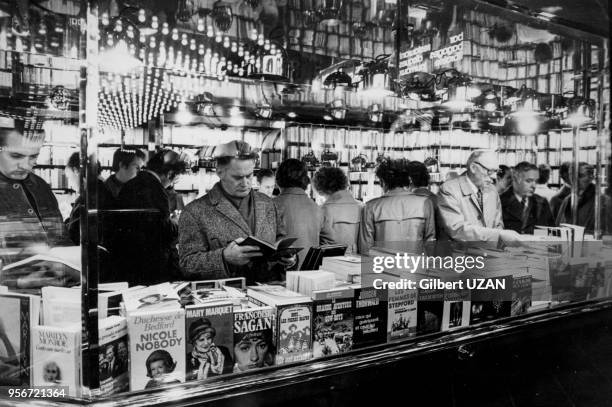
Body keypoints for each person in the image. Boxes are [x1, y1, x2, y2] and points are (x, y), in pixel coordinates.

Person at [179, 140, 296, 284]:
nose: (246, 183)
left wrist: (288, 257)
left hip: (270, 293)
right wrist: (224, 257)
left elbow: (280, 240)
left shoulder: (268, 203)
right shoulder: (194, 212)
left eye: (249, 175)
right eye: (238, 177)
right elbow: (187, 265)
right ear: (219, 172)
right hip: (226, 298)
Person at [116, 149, 187, 280]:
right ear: (170, 173)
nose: (171, 185)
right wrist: (178, 223)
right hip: (152, 266)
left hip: (128, 262)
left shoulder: (130, 184)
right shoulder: (157, 191)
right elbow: (163, 231)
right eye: (174, 180)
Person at [0, 121, 67, 248]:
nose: (25, 165)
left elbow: (61, 238)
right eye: (16, 156)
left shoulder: (41, 186)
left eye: (33, 156)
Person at [437, 150, 521, 243]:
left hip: (490, 254)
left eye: (496, 171)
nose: (494, 177)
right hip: (460, 255)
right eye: (489, 171)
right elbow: (457, 230)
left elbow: (498, 225)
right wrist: (498, 235)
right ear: (473, 168)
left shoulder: (492, 190)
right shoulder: (449, 190)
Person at [359, 158, 435, 255]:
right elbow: (430, 243)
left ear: (382, 182)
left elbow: (366, 249)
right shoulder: (425, 203)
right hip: (416, 266)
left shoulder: (371, 207)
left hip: (383, 267)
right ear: (409, 180)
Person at [274, 159, 334, 268]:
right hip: (311, 275)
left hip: (276, 277)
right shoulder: (318, 209)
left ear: (278, 180)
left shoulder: (270, 206)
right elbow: (330, 245)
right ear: (306, 181)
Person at [64, 152, 110, 245]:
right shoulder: (103, 188)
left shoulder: (89, 195)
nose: (70, 184)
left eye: (69, 177)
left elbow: (73, 234)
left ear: (76, 171)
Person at [312, 167, 361, 254]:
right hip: (357, 262)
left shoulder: (321, 210)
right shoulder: (362, 207)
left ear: (319, 188)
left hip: (329, 262)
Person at [500, 161, 554, 234]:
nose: (534, 186)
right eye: (529, 181)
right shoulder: (500, 202)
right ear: (515, 179)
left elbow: (552, 233)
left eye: (536, 181)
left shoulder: (542, 203)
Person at [556, 163, 612, 234]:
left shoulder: (603, 201)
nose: (574, 179)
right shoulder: (567, 200)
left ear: (591, 177)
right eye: (571, 175)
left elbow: (608, 237)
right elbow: (558, 228)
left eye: (580, 175)